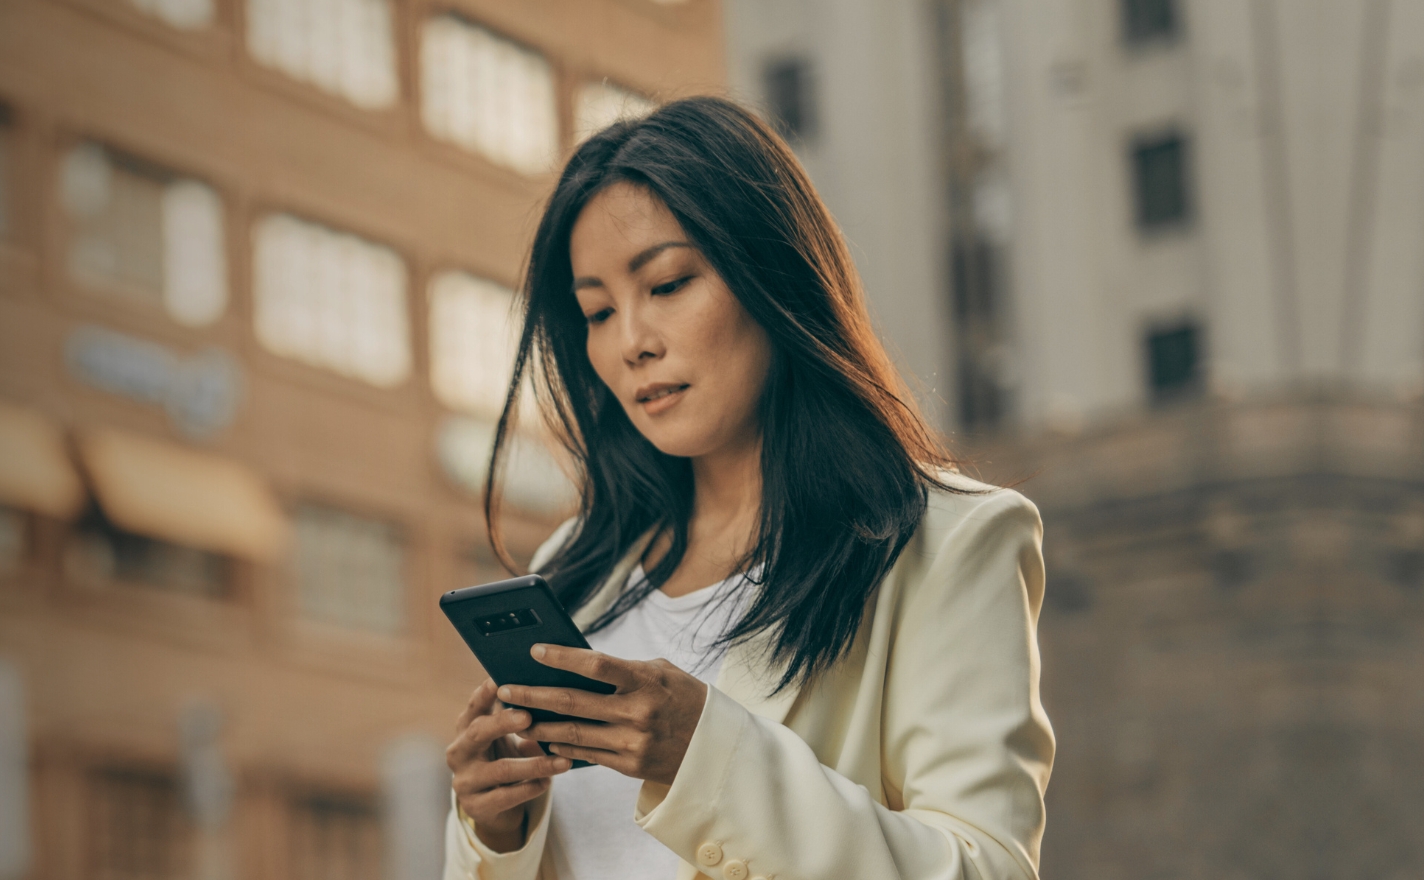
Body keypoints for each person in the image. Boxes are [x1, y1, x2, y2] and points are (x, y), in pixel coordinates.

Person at [441, 96, 1052, 880]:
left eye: (665, 285)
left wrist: (708, 757)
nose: (631, 342)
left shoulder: (947, 543)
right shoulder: (579, 565)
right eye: (596, 310)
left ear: (773, 274)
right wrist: (493, 834)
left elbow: (987, 868)